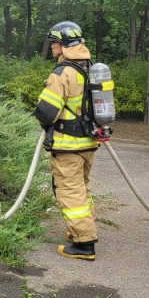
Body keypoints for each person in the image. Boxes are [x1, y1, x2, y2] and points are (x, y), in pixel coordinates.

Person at [33, 21, 100, 261]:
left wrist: (40, 117)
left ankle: (84, 244)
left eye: (54, 43)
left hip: (68, 145)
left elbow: (47, 111)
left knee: (70, 192)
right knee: (82, 189)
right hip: (88, 143)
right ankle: (81, 230)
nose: (52, 47)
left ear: (63, 45)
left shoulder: (62, 73)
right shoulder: (89, 68)